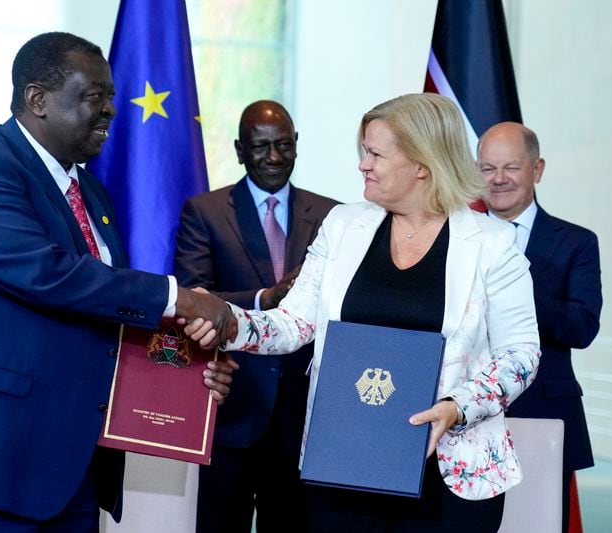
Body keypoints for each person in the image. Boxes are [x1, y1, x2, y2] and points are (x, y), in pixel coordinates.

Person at [0, 32, 238, 532]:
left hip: (64, 468)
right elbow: (50, 277)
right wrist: (179, 297)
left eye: (110, 97)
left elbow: (102, 311)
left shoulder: (90, 192)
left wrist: (190, 365)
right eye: (93, 96)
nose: (109, 110)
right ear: (38, 99)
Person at [188, 93, 540, 532]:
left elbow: (521, 355)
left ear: (422, 164)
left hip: (449, 473)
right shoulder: (342, 226)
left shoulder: (492, 243)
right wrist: (227, 320)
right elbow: (294, 323)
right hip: (343, 465)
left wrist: (456, 406)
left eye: (374, 153)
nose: (362, 164)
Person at [175, 100, 338, 533]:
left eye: (284, 145)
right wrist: (266, 298)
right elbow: (195, 297)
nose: (274, 157)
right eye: (261, 147)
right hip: (233, 403)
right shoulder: (205, 212)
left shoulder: (332, 217)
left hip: (305, 412)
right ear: (239, 149)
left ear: (297, 145)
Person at [477, 121, 602, 532]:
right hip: (469, 416)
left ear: (538, 169)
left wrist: (514, 287)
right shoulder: (458, 236)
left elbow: (582, 327)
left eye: (510, 167)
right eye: (486, 168)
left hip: (544, 412)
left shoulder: (576, 242)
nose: (497, 180)